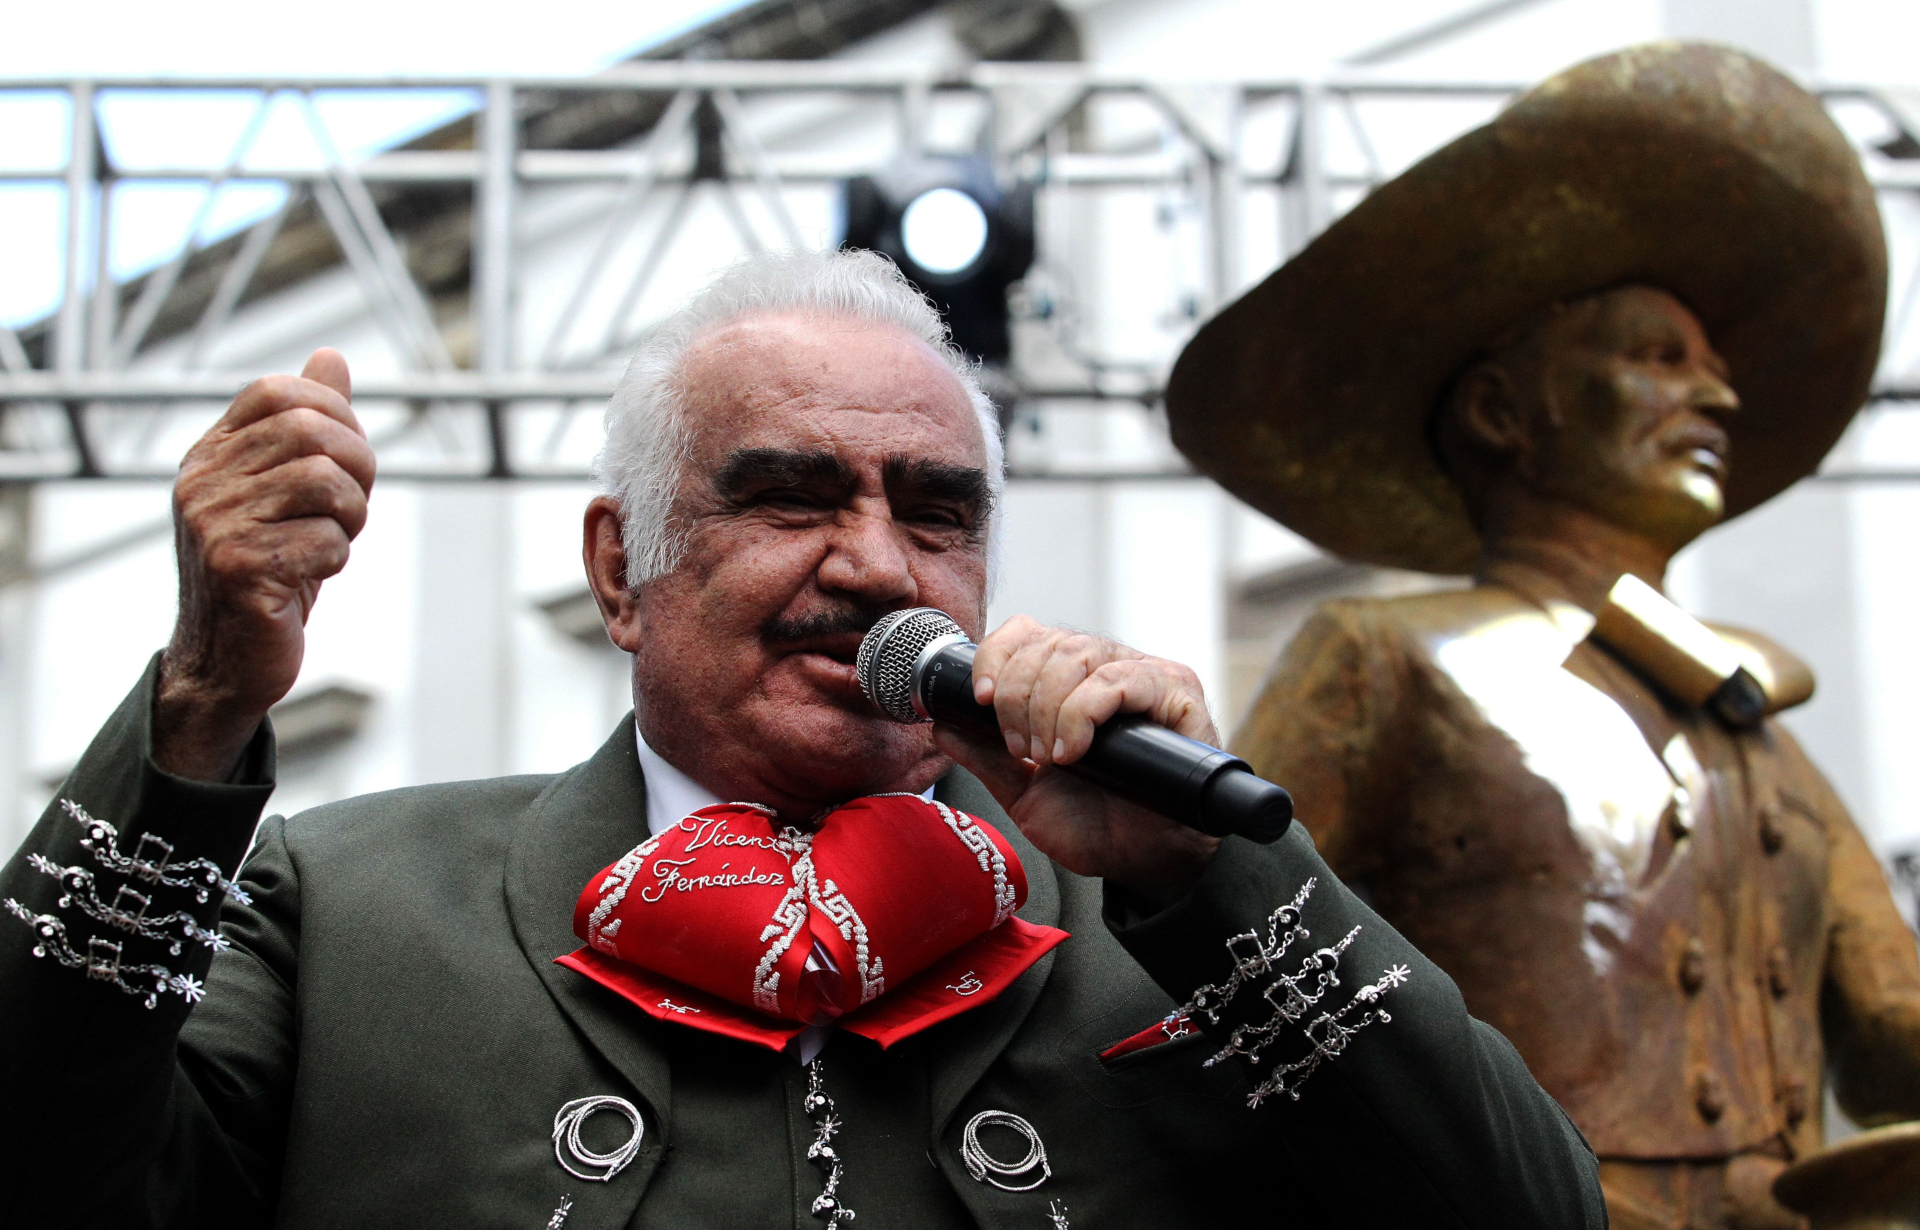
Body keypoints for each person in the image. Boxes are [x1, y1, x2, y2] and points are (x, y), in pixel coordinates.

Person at [0, 249, 1600, 1228]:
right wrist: (200, 709)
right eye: (789, 494)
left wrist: (1218, 893)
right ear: (622, 569)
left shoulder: (1158, 916)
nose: (878, 564)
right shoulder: (349, 905)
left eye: (935, 510)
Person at [1167, 43, 1920, 1230]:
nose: (1718, 396)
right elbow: (1229, 955)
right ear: (1503, 411)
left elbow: (1890, 1039)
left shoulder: (1751, 708)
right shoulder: (1382, 653)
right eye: (1658, 357)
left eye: (1717, 366)